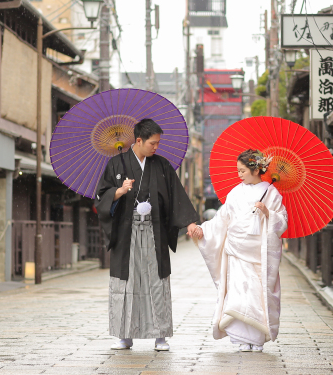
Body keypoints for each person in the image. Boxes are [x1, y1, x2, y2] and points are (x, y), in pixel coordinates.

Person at [95, 119, 203, 351]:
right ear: (139, 140)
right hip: (126, 231)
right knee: (127, 282)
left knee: (156, 281)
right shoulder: (116, 164)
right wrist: (119, 191)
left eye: (158, 143)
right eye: (152, 143)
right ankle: (124, 335)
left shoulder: (162, 165)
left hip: (154, 231)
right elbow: (101, 196)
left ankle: (160, 335)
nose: (156, 147)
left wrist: (190, 222)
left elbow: (176, 196)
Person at [195, 149, 288, 352]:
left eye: (242, 170)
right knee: (238, 293)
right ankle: (240, 338)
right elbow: (222, 219)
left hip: (259, 252)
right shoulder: (235, 192)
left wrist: (267, 212)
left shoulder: (271, 193)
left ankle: (256, 338)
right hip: (236, 250)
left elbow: (282, 221)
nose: (239, 174)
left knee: (257, 294)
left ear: (256, 170)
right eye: (238, 170)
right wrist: (204, 229)